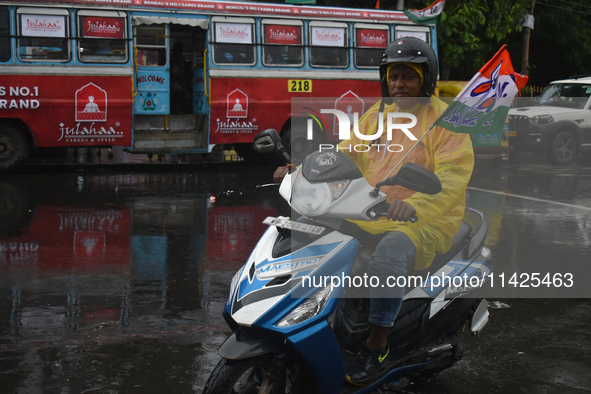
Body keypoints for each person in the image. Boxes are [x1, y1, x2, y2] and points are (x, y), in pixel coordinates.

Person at [273, 37, 475, 385]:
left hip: (423, 218)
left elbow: (451, 180)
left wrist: (411, 205)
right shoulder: (378, 115)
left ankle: (376, 345)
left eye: (408, 77)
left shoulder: (447, 122)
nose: (399, 85)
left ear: (426, 80)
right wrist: (303, 170)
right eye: (393, 76)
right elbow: (346, 154)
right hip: (370, 208)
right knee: (309, 232)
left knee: (389, 254)